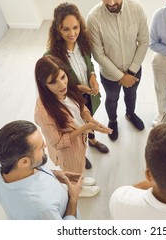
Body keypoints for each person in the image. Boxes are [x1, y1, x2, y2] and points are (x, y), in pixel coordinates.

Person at [34, 56, 112, 197]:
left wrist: (88, 118)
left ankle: (79, 179)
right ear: (43, 84)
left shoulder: (67, 89)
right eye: (53, 82)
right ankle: (77, 190)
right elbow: (57, 143)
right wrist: (85, 128)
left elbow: (81, 106)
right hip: (67, 151)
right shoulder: (43, 112)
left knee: (79, 166)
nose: (62, 85)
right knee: (73, 171)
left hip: (80, 141)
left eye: (63, 77)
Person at [87, 0, 149, 141]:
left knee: (131, 94)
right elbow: (98, 54)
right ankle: (113, 121)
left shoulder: (137, 9)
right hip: (109, 75)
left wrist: (130, 72)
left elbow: (144, 41)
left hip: (134, 69)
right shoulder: (93, 18)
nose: (111, 2)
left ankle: (130, 114)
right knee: (112, 99)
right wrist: (120, 76)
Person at [46, 2, 109, 156]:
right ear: (57, 30)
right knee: (76, 126)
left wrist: (92, 75)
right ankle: (82, 151)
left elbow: (89, 66)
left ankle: (92, 141)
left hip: (88, 96)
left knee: (90, 119)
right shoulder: (51, 57)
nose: (72, 33)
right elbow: (53, 86)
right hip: (71, 100)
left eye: (76, 27)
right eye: (66, 29)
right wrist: (77, 88)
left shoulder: (83, 43)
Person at [0, 120, 82, 220]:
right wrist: (73, 198)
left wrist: (53, 174)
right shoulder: (42, 209)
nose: (45, 145)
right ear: (24, 162)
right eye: (41, 147)